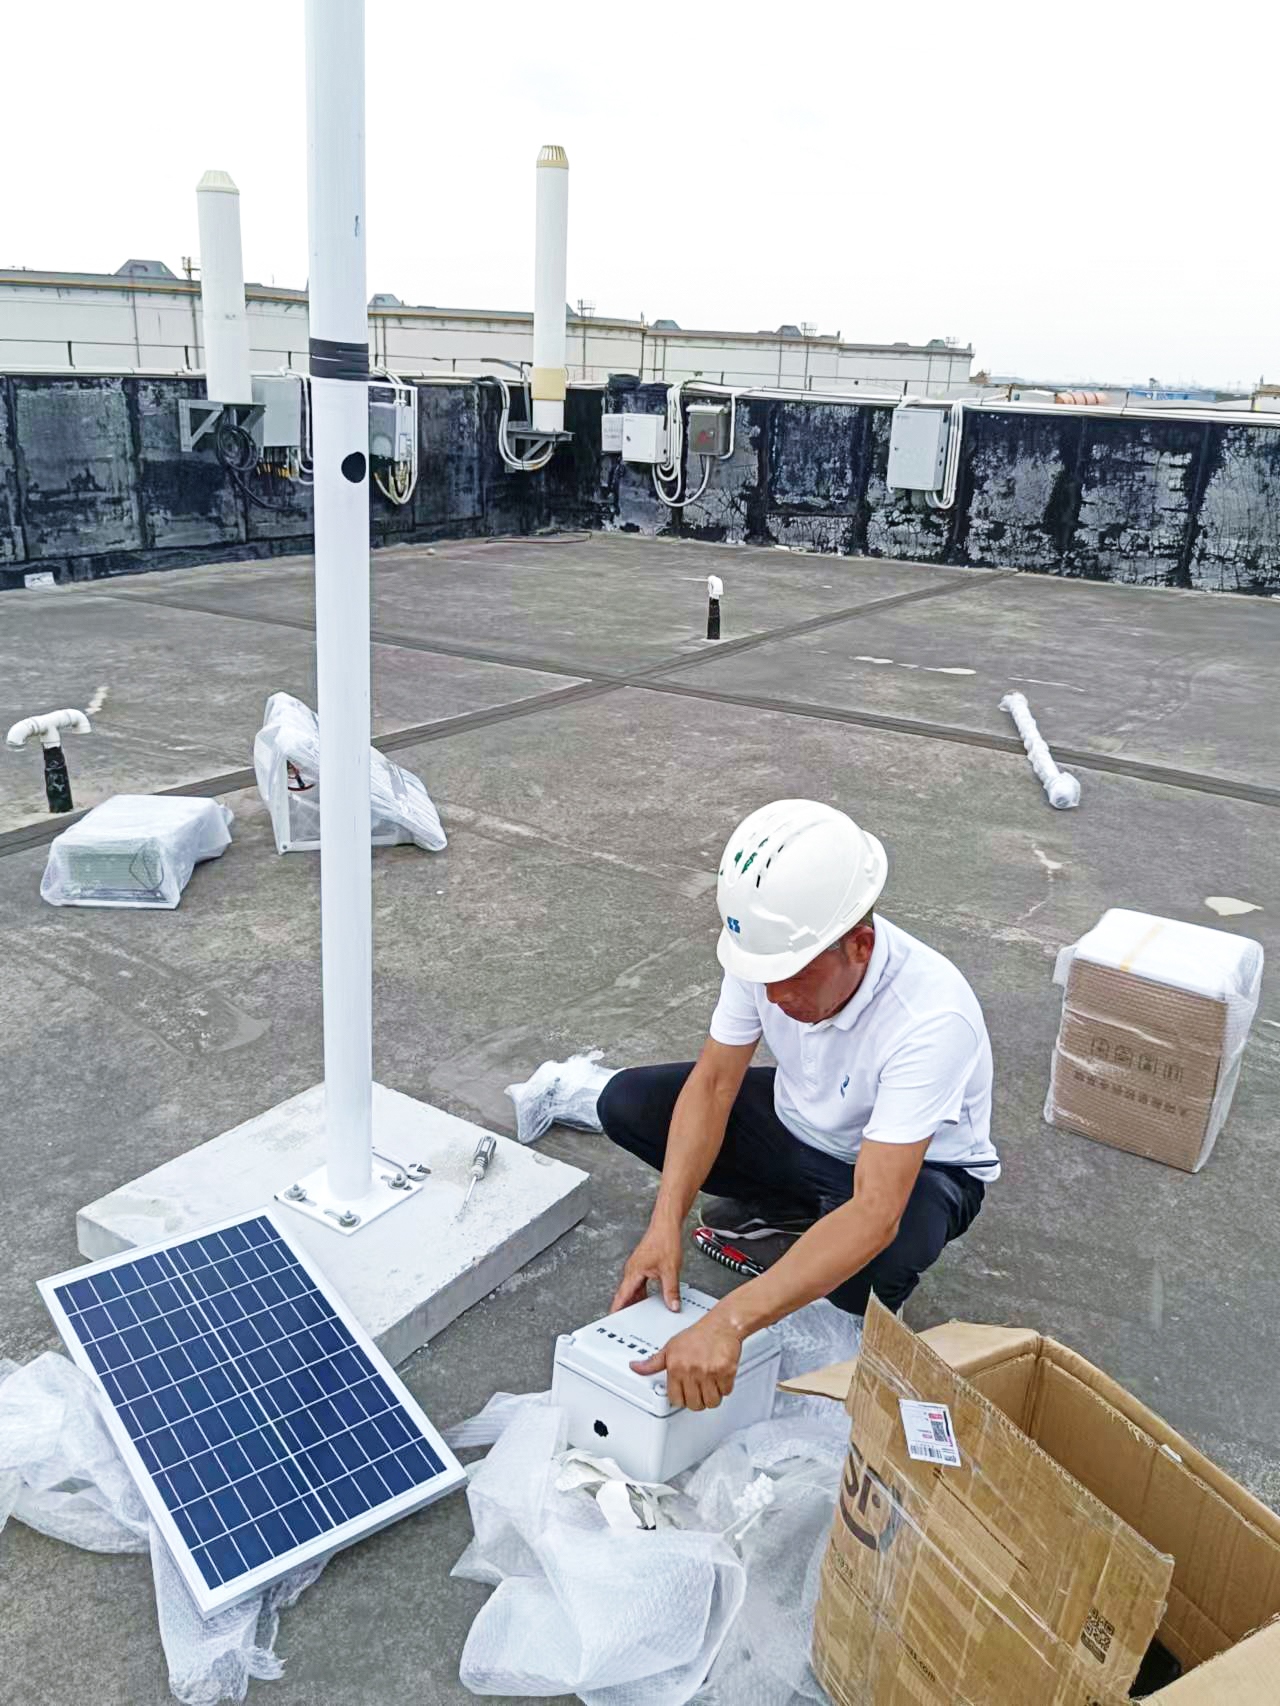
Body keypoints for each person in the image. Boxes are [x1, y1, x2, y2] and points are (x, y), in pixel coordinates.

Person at [598, 799, 998, 1414]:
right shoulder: (768, 956)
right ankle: (795, 1217)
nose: (776, 996)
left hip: (919, 1172)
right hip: (799, 1126)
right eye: (765, 978)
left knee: (871, 1262)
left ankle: (813, 1235)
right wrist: (664, 1222)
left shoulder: (931, 1016)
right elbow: (712, 1087)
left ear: (860, 946)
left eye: (794, 979)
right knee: (630, 1103)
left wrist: (729, 1322)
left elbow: (875, 1209)